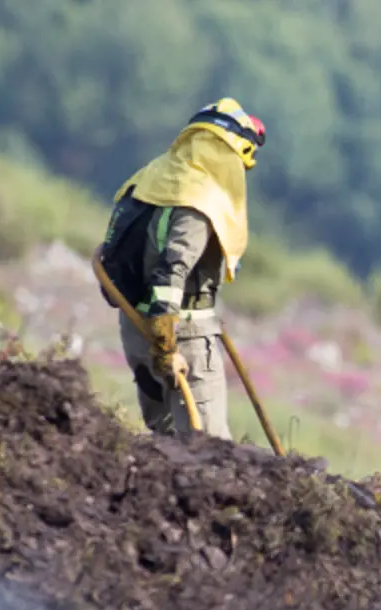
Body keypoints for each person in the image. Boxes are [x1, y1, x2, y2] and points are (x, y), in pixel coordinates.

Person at [95, 98, 266, 440]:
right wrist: (166, 346)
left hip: (134, 328)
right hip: (178, 335)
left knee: (164, 441)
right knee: (206, 447)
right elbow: (173, 269)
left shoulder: (148, 179)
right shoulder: (200, 198)